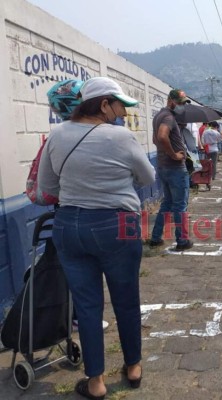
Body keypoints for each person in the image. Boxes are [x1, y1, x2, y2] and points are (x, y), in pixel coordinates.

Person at [39, 76, 155, 399]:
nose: (122, 113)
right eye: (119, 106)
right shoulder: (122, 137)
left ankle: (96, 383)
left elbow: (47, 187)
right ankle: (133, 368)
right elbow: (147, 176)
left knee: (88, 307)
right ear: (104, 104)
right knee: (126, 300)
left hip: (70, 226)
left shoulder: (58, 135)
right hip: (118, 225)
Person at [46, 79, 110, 333]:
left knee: (79, 274)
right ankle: (77, 317)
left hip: (66, 214)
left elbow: (41, 187)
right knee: (91, 274)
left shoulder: (56, 137)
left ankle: (78, 317)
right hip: (98, 216)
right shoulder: (103, 136)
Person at [149, 89, 193, 251]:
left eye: (183, 103)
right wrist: (174, 155)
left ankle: (155, 237)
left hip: (163, 166)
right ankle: (182, 240)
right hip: (174, 168)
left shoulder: (159, 116)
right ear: (170, 101)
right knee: (180, 205)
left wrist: (165, 152)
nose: (182, 106)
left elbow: (155, 139)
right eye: (180, 103)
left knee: (167, 203)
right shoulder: (168, 117)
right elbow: (161, 136)